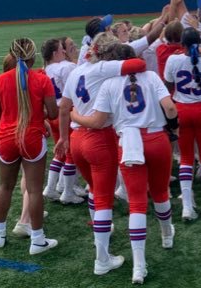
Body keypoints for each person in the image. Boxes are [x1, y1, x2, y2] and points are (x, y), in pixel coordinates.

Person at [71, 43, 178, 285]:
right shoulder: (150, 76)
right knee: (160, 192)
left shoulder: (109, 84)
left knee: (137, 203)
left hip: (128, 142)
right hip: (156, 138)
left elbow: (97, 121)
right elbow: (170, 108)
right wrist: (173, 126)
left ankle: (139, 266)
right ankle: (167, 235)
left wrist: (74, 116)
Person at [54, 33, 146, 276]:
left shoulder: (76, 71)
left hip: (76, 139)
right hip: (99, 138)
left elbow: (63, 107)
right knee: (104, 197)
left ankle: (100, 237)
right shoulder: (103, 67)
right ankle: (102, 259)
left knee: (94, 190)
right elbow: (139, 64)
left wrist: (63, 137)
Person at [0, 38, 58, 254]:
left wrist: (2, 131)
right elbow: (54, 113)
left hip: (6, 138)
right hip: (32, 137)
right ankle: (37, 240)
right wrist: (40, 116)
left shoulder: (0, 80)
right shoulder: (40, 80)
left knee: (5, 187)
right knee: (35, 189)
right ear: (33, 56)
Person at [164, 27, 201, 220]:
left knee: (186, 158)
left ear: (182, 44)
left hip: (182, 110)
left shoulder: (173, 60)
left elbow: (169, 89)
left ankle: (187, 207)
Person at [41, 38, 83, 204]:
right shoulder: (67, 67)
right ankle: (67, 192)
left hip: (54, 115)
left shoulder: (46, 69)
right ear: (54, 53)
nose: (64, 51)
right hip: (66, 113)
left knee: (60, 152)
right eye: (61, 49)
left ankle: (51, 187)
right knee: (70, 153)